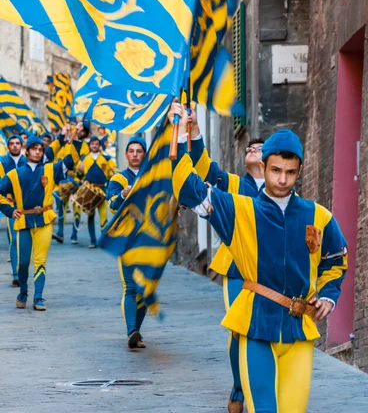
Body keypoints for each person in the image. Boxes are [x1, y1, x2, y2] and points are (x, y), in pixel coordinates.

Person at [170, 108, 348, 413]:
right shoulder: (238, 208)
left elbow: (335, 259)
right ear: (264, 166)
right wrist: (178, 133)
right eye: (276, 170)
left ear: (300, 170)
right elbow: (190, 189)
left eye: (290, 172)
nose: (282, 179)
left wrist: (329, 297)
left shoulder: (318, 216)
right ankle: (238, 393)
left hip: (300, 330)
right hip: (255, 326)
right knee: (263, 409)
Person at [168, 101, 264, 413]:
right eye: (250, 145)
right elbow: (204, 169)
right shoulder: (234, 186)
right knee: (240, 329)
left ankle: (263, 389)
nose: (252, 147)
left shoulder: (286, 192)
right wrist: (192, 131)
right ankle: (239, 389)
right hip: (237, 268)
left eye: (260, 147)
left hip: (272, 272)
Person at [0, 134, 75, 311]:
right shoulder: (14, 174)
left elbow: (70, 162)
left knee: (40, 261)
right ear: (27, 151)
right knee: (23, 263)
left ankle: (38, 297)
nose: (38, 151)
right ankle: (23, 292)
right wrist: (10, 210)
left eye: (41, 149)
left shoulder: (50, 169)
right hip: (24, 221)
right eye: (34, 148)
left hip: (44, 219)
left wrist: (74, 140)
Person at [107, 136, 147, 349]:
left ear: (144, 154)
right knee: (130, 286)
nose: (134, 154)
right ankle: (132, 330)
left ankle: (136, 332)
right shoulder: (118, 179)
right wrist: (123, 194)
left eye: (139, 151)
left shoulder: (154, 178)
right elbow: (112, 204)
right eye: (131, 151)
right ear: (126, 154)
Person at [73, 135, 116, 248]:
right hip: (89, 190)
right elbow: (78, 174)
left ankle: (103, 240)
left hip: (102, 190)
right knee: (90, 215)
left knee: (103, 215)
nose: (94, 146)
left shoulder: (107, 159)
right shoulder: (84, 159)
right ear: (90, 145)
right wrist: (79, 171)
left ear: (99, 145)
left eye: (96, 144)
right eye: (92, 144)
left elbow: (113, 171)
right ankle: (93, 240)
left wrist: (114, 175)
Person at [52, 121, 90, 244]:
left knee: (77, 207)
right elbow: (57, 159)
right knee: (61, 207)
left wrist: (81, 171)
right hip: (63, 179)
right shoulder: (63, 144)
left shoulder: (83, 145)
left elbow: (85, 162)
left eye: (78, 130)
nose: (75, 131)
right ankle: (60, 233)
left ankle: (74, 234)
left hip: (77, 180)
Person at [0, 135, 27, 287]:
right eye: (12, 143)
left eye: (18, 143)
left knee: (27, 241)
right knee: (14, 239)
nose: (15, 146)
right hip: (12, 207)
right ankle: (16, 274)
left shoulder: (28, 162)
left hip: (28, 207)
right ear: (8, 146)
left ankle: (24, 270)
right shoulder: (2, 163)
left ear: (22, 146)